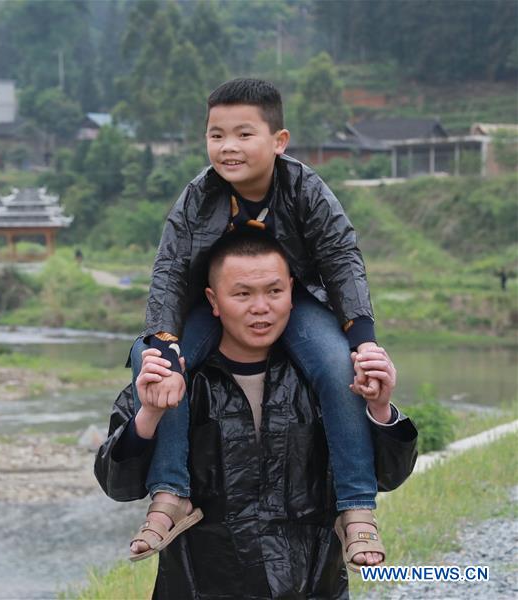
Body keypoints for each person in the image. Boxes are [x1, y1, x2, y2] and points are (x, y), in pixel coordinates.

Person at [125, 78, 397, 568]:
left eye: (244, 134)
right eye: (216, 135)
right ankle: (170, 493)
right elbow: (168, 271)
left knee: (338, 366)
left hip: (295, 300)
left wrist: (362, 341)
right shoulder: (196, 197)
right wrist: (164, 342)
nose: (228, 147)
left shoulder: (307, 189)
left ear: (279, 141)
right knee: (153, 361)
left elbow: (341, 260)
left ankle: (356, 508)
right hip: (212, 306)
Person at [96, 233, 417, 598]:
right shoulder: (176, 378)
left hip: (310, 588)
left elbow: (389, 476)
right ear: (213, 301)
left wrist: (380, 408)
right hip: (198, 589)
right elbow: (117, 485)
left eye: (274, 292)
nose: (260, 307)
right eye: (243, 294)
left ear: (292, 294)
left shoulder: (329, 379)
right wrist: (150, 415)